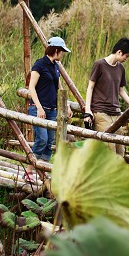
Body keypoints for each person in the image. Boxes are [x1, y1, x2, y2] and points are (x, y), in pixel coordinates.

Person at [84, 37, 129, 156]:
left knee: (120, 151)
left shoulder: (120, 68)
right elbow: (90, 87)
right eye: (126, 56)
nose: (126, 59)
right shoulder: (99, 64)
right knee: (109, 150)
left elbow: (121, 91)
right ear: (119, 52)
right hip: (101, 113)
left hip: (116, 113)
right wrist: (88, 110)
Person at [25, 36, 73, 183]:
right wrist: (39, 108)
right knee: (42, 139)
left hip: (52, 110)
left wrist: (67, 105)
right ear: (56, 50)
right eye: (62, 52)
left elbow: (59, 87)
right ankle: (29, 171)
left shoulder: (55, 66)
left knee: (50, 141)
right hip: (38, 109)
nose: (63, 55)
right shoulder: (39, 65)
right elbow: (31, 87)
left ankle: (43, 171)